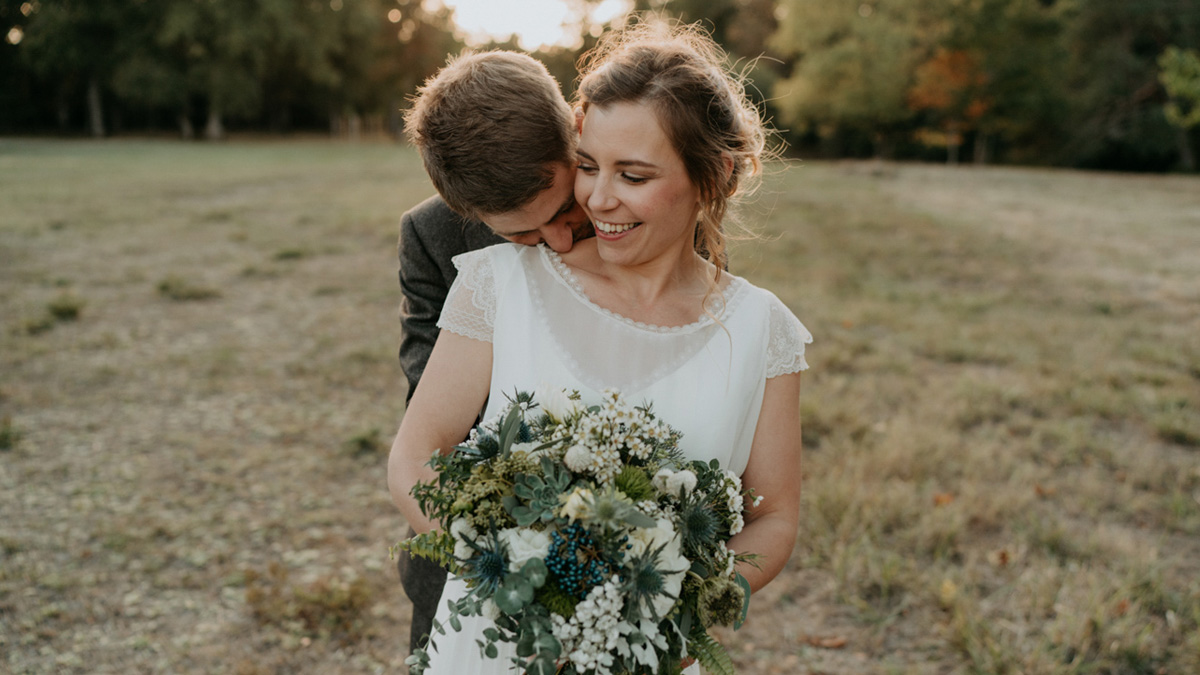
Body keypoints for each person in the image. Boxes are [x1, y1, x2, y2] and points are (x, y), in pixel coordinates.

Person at [388, 19, 812, 674]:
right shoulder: (499, 280)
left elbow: (775, 515)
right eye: (588, 168)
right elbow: (420, 452)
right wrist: (528, 591)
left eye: (632, 174)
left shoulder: (763, 329)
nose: (597, 199)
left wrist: (653, 608)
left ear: (714, 174)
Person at [396, 49, 592, 654]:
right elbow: (434, 413)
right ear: (470, 216)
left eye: (564, 209)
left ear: (576, 134)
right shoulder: (431, 237)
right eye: (523, 234)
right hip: (474, 547)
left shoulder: (641, 202)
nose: (557, 240)